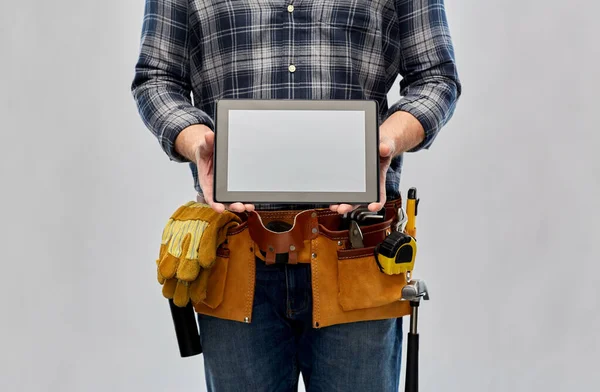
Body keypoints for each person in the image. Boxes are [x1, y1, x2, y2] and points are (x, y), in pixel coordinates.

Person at [131, 0, 461, 391]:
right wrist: (195, 140)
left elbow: (436, 77)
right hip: (236, 252)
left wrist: (386, 137)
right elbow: (155, 78)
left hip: (354, 249)